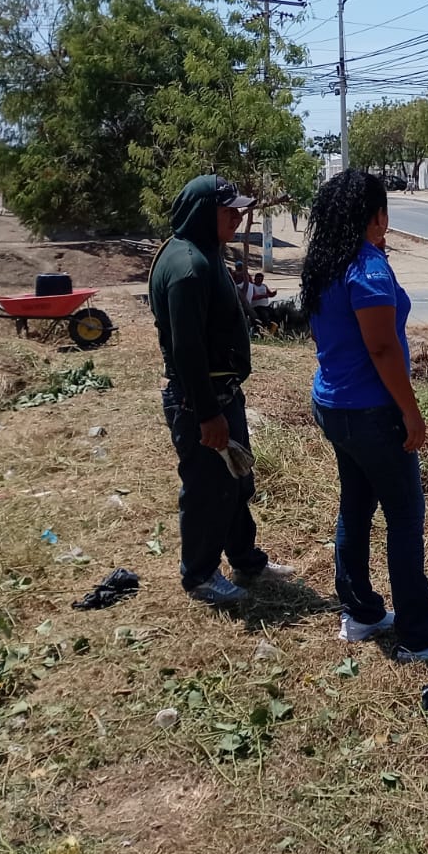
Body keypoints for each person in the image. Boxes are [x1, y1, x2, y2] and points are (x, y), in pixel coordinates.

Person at [302, 171, 428, 662]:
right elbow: (381, 348)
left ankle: (360, 612)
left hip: (333, 404)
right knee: (404, 515)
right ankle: (420, 634)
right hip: (371, 412)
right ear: (375, 215)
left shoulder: (325, 262)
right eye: (385, 212)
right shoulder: (367, 269)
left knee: (356, 506)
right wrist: (411, 412)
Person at [149, 176, 293, 606]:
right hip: (201, 400)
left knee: (235, 481)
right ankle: (199, 575)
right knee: (207, 489)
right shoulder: (188, 267)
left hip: (222, 393)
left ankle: (246, 560)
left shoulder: (204, 252)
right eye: (228, 210)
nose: (237, 216)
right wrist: (207, 414)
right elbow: (187, 348)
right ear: (202, 213)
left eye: (238, 209)